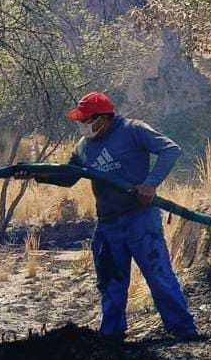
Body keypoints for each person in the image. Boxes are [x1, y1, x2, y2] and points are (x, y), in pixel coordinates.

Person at [26, 91, 200, 344]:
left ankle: (184, 333)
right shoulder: (84, 147)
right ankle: (112, 337)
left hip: (140, 219)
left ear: (103, 118)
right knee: (111, 283)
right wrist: (36, 173)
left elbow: (170, 150)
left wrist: (150, 184)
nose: (82, 125)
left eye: (86, 120)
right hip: (108, 223)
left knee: (159, 277)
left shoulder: (133, 130)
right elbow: (69, 177)